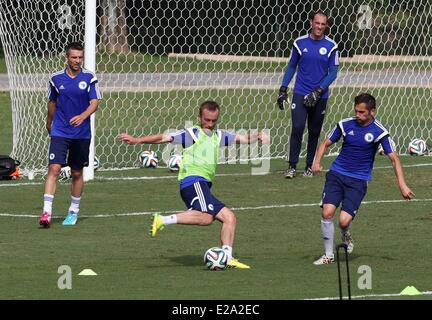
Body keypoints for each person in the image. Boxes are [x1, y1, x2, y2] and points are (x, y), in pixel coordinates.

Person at [119, 101, 268, 269]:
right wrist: (138, 140)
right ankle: (162, 220)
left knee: (230, 218)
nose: (210, 124)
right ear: (199, 118)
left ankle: (227, 256)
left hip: (203, 186)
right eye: (207, 120)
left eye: (214, 121)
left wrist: (258, 136)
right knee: (205, 218)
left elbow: (243, 138)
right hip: (193, 182)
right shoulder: (193, 134)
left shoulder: (218, 136)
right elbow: (164, 137)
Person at [311, 93, 415, 265]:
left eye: (362, 112)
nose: (358, 116)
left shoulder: (379, 132)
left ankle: (346, 234)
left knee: (343, 221)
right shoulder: (345, 125)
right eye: (356, 111)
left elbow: (394, 159)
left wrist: (402, 186)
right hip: (336, 175)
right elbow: (325, 143)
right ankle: (328, 256)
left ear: (372, 111)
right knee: (327, 212)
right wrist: (316, 162)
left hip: (358, 181)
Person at [38, 42, 102, 228]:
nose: (77, 61)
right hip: (60, 130)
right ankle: (46, 213)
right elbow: (52, 103)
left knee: (76, 172)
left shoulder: (89, 77)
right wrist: (49, 122)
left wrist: (82, 116)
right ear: (66, 57)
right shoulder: (56, 78)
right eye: (74, 57)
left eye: (80, 57)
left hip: (81, 134)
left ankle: (73, 212)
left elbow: (95, 102)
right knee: (54, 169)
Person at [277, 10, 339, 179]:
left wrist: (319, 91)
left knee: (314, 131)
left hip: (320, 96)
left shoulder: (331, 46)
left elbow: (333, 72)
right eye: (317, 23)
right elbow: (291, 67)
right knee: (297, 127)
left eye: (323, 24)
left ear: (326, 26)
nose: (319, 27)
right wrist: (283, 89)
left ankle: (310, 166)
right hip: (300, 92)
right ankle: (291, 166)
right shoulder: (299, 43)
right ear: (311, 22)